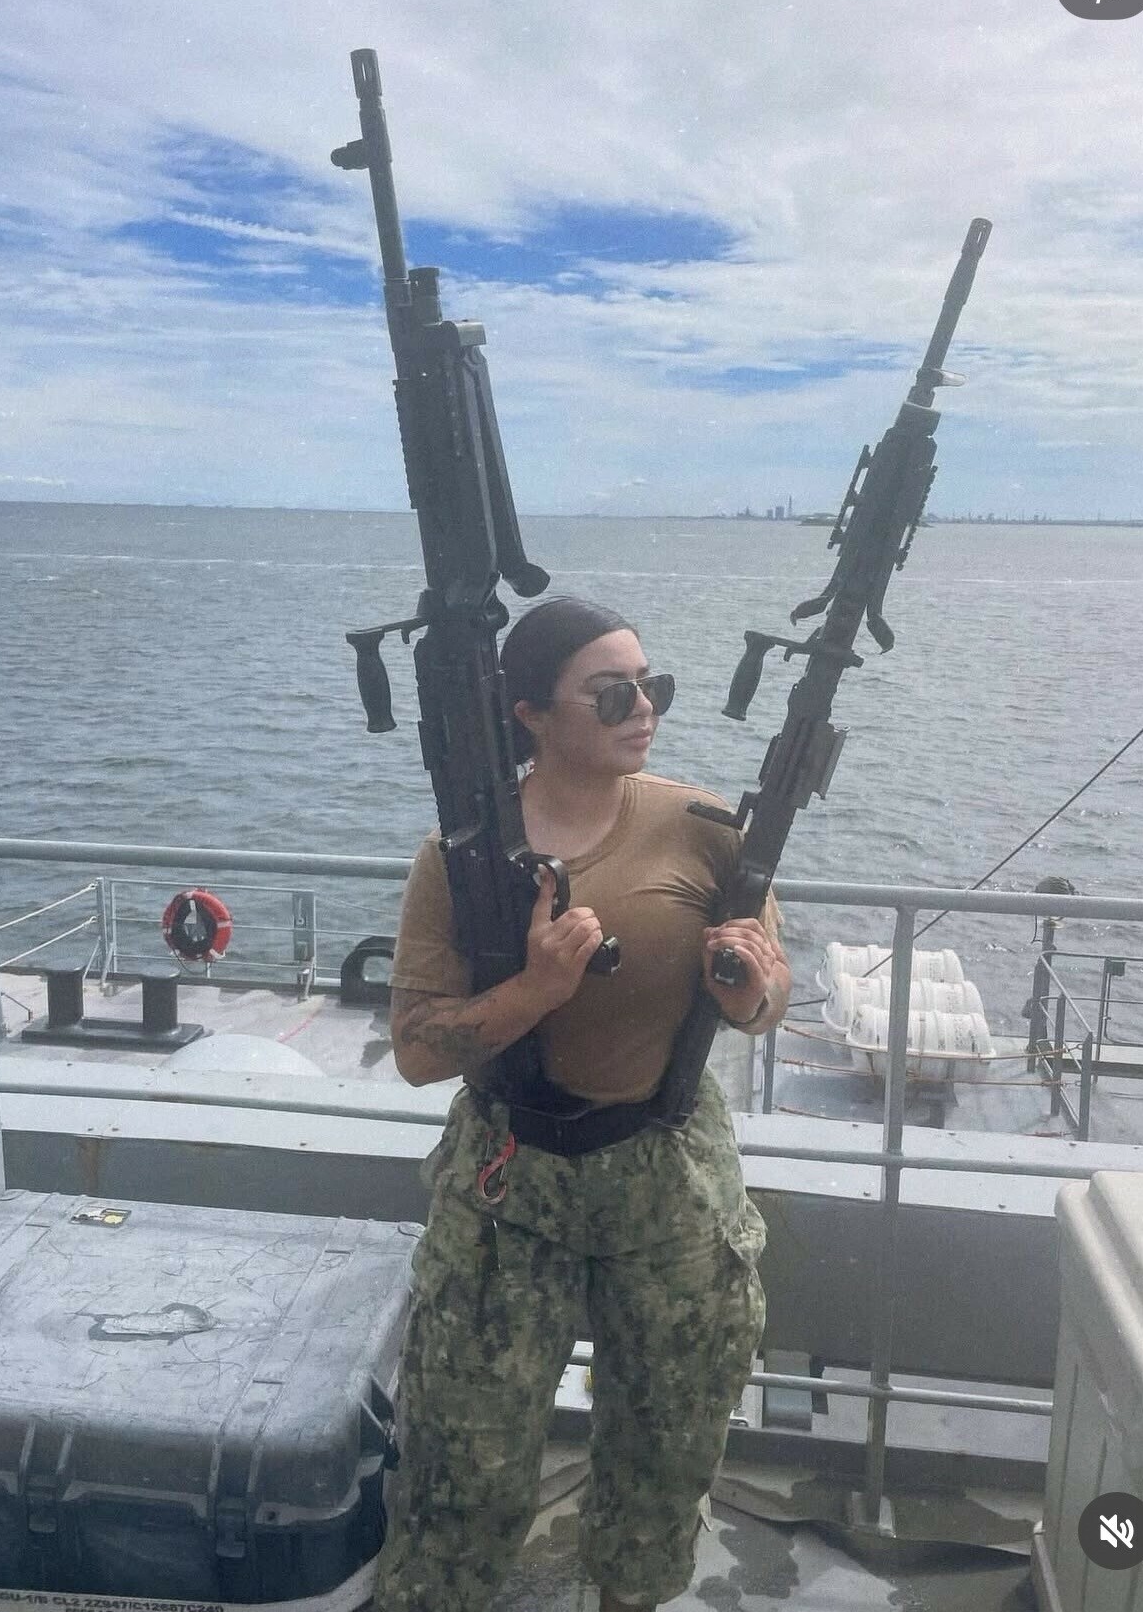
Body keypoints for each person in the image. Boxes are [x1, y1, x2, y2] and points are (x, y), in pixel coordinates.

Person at [372, 597, 791, 1612]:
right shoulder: (462, 857)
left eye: (652, 686)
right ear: (529, 714)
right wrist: (534, 992)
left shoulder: (705, 830)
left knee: (665, 1453)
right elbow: (417, 1051)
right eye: (611, 694)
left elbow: (767, 993)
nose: (643, 708)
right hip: (509, 1186)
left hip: (665, 1176)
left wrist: (750, 991)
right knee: (461, 1463)